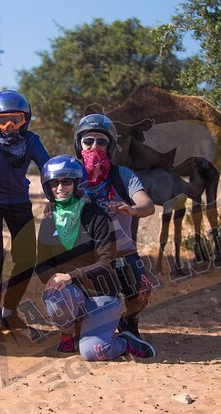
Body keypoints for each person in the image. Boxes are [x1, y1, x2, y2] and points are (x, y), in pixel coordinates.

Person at [36, 155, 155, 360]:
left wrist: (70, 277)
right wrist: (54, 278)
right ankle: (68, 334)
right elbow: (42, 265)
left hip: (101, 295)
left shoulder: (96, 216)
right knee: (55, 295)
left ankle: (125, 341)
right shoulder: (48, 220)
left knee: (93, 353)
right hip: (71, 295)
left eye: (66, 182)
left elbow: (107, 262)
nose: (60, 187)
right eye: (54, 183)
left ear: (77, 183)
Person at [0, 90, 50, 331]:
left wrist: (54, 198)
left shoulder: (32, 141)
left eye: (17, 119)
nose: (10, 126)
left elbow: (47, 169)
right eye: (2, 120)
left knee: (27, 258)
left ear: (27, 120)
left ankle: (9, 312)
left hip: (19, 201)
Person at [73, 114, 156, 340]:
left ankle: (128, 321)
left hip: (122, 251)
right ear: (78, 145)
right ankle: (79, 325)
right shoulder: (72, 175)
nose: (94, 147)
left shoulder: (123, 175)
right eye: (88, 141)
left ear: (110, 146)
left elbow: (147, 205)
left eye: (102, 142)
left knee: (141, 291)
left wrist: (133, 209)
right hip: (87, 255)